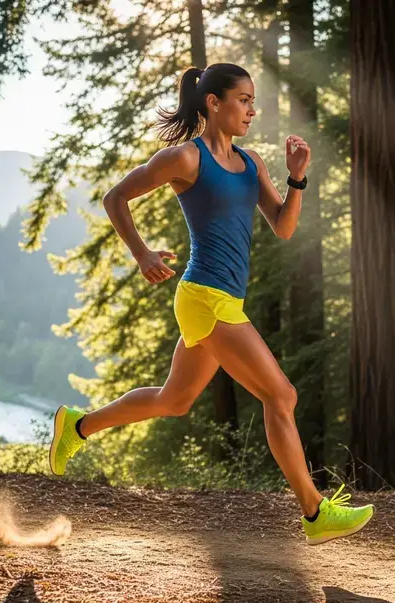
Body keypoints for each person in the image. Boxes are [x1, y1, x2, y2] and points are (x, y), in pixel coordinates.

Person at [49, 63, 374, 545]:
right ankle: (314, 512)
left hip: (225, 302)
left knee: (173, 400)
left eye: (252, 100)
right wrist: (141, 254)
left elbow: (283, 227)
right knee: (281, 396)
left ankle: (77, 426)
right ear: (213, 103)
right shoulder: (185, 158)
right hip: (203, 297)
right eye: (243, 100)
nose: (251, 109)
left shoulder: (251, 164)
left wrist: (297, 179)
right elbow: (116, 198)